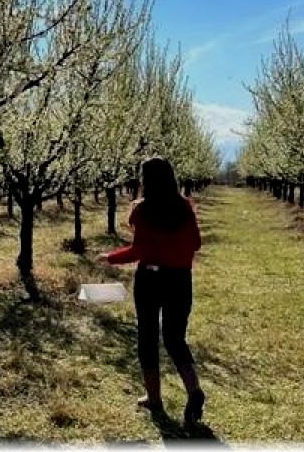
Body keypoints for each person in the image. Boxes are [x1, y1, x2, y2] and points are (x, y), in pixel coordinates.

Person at [99, 156, 206, 426]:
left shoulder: (142, 210)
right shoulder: (184, 207)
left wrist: (110, 257)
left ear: (147, 180)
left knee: (147, 336)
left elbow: (138, 251)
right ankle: (194, 390)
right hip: (180, 280)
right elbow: (196, 244)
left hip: (150, 279)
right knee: (175, 339)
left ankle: (154, 398)